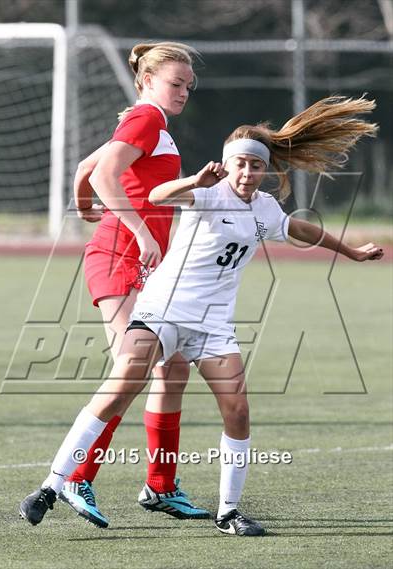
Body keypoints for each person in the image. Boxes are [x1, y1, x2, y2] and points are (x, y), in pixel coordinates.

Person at [20, 95, 383, 536]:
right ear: (226, 165)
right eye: (241, 164)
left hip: (213, 326)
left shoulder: (264, 209)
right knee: (120, 387)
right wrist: (194, 178)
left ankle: (228, 512)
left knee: (238, 411)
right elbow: (157, 194)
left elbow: (300, 228)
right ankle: (50, 486)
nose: (248, 172)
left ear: (265, 170)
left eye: (255, 165)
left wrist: (350, 251)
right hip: (163, 311)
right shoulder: (205, 194)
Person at [60, 41, 209, 528]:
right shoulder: (146, 118)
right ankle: (75, 477)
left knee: (175, 366)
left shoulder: (154, 125)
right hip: (122, 258)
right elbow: (104, 173)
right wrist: (140, 231)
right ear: (146, 81)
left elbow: (87, 170)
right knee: (133, 368)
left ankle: (161, 487)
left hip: (142, 262)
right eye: (175, 83)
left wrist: (86, 208)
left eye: (188, 84)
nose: (184, 91)